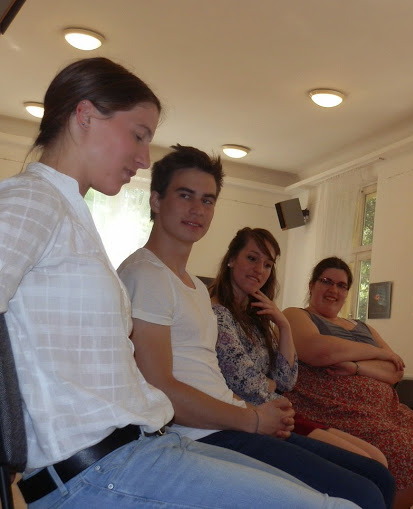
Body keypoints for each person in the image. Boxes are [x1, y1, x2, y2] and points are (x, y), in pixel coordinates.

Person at [0, 57, 356, 509]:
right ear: (85, 116)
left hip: (141, 446)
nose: (143, 158)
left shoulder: (70, 215)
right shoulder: (33, 199)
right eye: (138, 135)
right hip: (99, 470)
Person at [117, 147, 395, 509]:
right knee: (363, 495)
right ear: (156, 200)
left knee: (378, 478)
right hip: (199, 436)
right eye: (185, 195)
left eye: (207, 200)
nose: (197, 209)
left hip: (233, 420)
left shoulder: (194, 287)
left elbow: (224, 378)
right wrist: (252, 419)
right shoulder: (146, 275)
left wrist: (257, 411)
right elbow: (160, 389)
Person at [284, 257, 413, 509]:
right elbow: (317, 350)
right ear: (312, 285)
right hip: (336, 412)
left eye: (342, 285)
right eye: (326, 281)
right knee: (412, 460)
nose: (333, 290)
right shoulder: (296, 315)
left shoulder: (362, 327)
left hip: (388, 412)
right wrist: (376, 353)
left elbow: (394, 370)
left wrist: (355, 366)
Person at [210, 227, 388, 466]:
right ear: (231, 259)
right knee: (367, 466)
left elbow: (287, 380)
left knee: (377, 460)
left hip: (281, 414)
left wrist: (283, 325)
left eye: (267, 264)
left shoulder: (257, 318)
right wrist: (271, 384)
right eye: (252, 258)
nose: (259, 270)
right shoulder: (218, 314)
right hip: (254, 418)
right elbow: (248, 384)